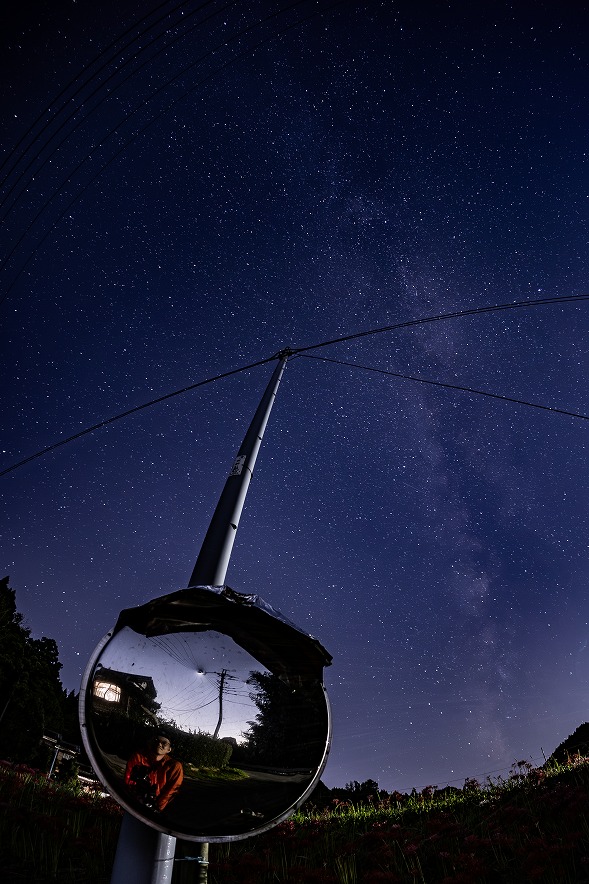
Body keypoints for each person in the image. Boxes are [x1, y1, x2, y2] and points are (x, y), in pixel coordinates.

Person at [125, 734, 183, 812]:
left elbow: (172, 790)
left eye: (164, 743)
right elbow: (128, 780)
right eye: (156, 741)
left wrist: (156, 808)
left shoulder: (174, 766)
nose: (159, 744)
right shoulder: (138, 757)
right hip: (134, 804)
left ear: (169, 749)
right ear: (150, 743)